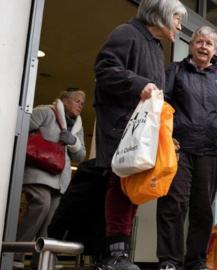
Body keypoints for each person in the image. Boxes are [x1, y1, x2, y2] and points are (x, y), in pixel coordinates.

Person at [93, 0, 186, 269]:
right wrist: (139, 84)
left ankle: (118, 254)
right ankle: (114, 254)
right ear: (160, 16)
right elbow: (104, 69)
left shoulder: (156, 48)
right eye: (177, 18)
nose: (180, 26)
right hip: (120, 122)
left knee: (134, 186)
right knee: (120, 184)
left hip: (141, 128)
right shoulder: (126, 33)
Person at [156, 26, 217, 270]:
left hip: (211, 152)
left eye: (209, 43)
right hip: (178, 148)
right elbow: (162, 106)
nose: (203, 46)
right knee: (173, 204)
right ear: (191, 45)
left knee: (202, 209)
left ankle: (196, 261)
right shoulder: (176, 71)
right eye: (199, 41)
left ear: (215, 50)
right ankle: (169, 261)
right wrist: (166, 137)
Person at [15, 88, 86, 267]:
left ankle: (43, 262)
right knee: (42, 203)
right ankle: (15, 254)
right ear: (65, 99)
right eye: (77, 100)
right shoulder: (45, 111)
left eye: (83, 103)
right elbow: (20, 132)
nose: (81, 105)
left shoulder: (78, 126)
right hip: (38, 172)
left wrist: (74, 142)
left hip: (60, 179)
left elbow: (81, 156)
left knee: (51, 220)